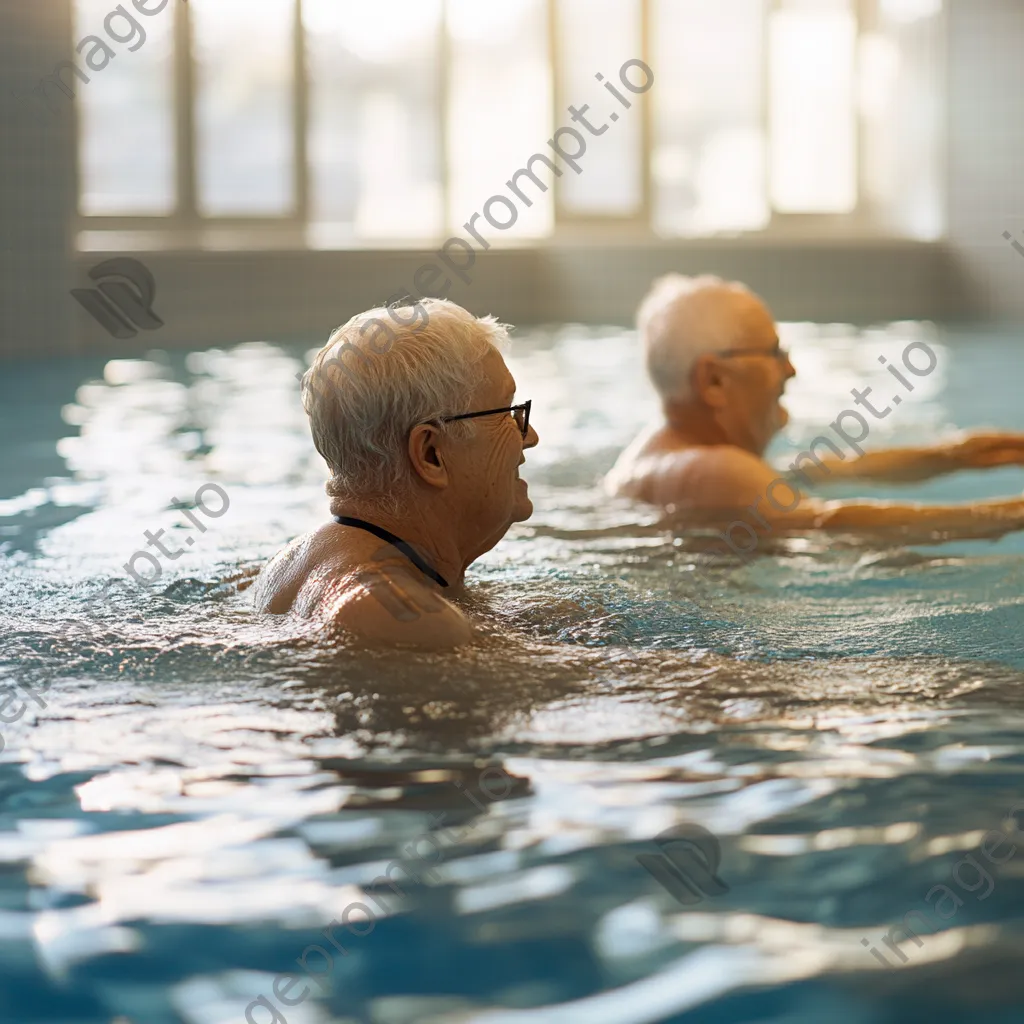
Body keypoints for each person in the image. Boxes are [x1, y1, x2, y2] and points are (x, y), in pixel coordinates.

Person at [606, 274, 1024, 541]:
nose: (790, 369)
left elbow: (835, 468)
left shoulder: (674, 459)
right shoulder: (712, 470)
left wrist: (960, 454)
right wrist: (1003, 515)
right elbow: (832, 523)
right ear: (714, 381)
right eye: (773, 353)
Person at [254, 299, 538, 649]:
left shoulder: (293, 562)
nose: (530, 436)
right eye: (507, 411)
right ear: (430, 454)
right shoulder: (402, 617)